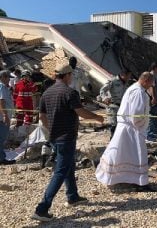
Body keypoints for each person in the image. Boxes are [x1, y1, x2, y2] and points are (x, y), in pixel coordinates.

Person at [32, 63, 104, 222]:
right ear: (66, 76)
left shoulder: (47, 93)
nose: (72, 78)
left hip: (54, 137)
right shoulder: (70, 92)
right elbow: (81, 112)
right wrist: (97, 117)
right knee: (60, 171)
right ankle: (42, 208)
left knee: (69, 164)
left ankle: (72, 196)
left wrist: (51, 129)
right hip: (66, 138)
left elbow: (42, 117)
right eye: (71, 75)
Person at [96, 72, 154, 189]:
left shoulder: (133, 88)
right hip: (132, 129)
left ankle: (125, 178)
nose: (151, 85)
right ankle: (140, 182)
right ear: (145, 80)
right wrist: (143, 126)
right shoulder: (138, 92)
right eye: (151, 83)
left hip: (127, 127)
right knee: (137, 154)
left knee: (120, 152)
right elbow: (136, 114)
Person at [98, 69, 132, 138]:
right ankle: (113, 144)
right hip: (113, 107)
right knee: (114, 126)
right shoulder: (113, 81)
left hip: (122, 108)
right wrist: (105, 98)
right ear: (123, 75)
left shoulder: (126, 83)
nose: (129, 78)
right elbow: (102, 90)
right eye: (128, 76)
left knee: (121, 127)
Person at [0, 70, 15, 165]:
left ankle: (1, 157)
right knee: (1, 138)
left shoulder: (4, 87)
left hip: (3, 116)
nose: (9, 79)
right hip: (2, 117)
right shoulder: (1, 86)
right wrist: (5, 115)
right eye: (7, 77)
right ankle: (1, 159)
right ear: (2, 77)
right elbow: (1, 101)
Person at [146, 62, 157, 142]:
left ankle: (155, 134)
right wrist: (153, 98)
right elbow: (151, 87)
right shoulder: (151, 75)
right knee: (152, 119)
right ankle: (150, 136)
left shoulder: (155, 76)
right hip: (154, 101)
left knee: (156, 118)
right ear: (155, 68)